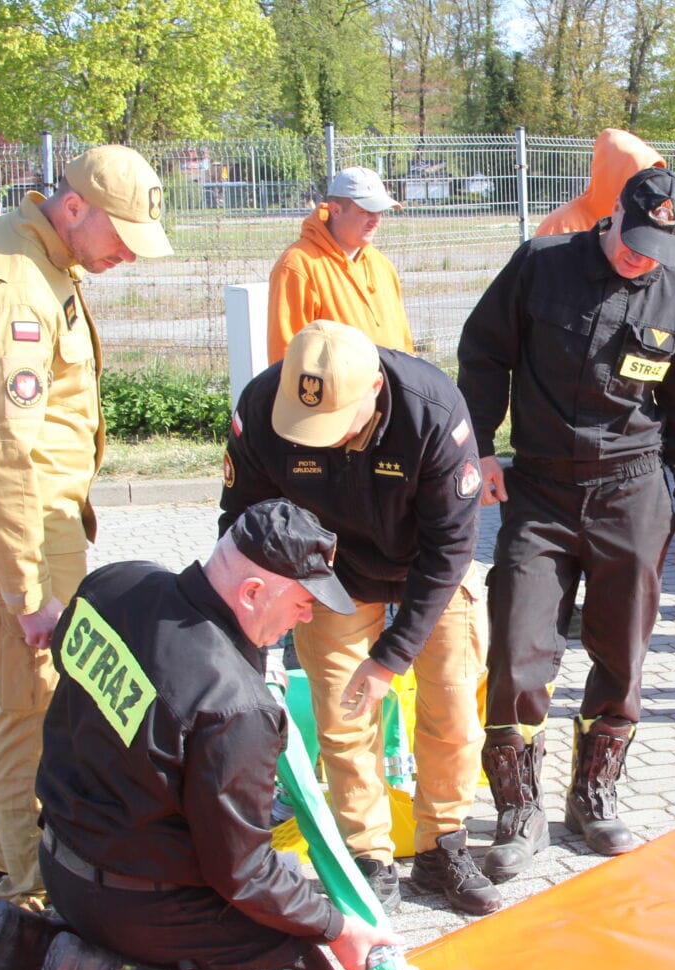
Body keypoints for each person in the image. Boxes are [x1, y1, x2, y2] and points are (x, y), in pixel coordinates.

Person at [0, 499, 403, 970]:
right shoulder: (234, 705)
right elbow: (244, 874)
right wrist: (339, 927)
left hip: (59, 860)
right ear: (254, 592)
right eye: (303, 601)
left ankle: (34, 943)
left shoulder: (112, 583)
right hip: (139, 903)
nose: (307, 618)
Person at [0, 144, 172, 915]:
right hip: (18, 531)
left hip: (35, 521)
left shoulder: (36, 250)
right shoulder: (16, 292)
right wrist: (27, 590)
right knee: (33, 707)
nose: (128, 255)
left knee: (38, 698)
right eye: (121, 237)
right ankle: (28, 892)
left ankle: (5, 858)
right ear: (76, 208)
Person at [457, 167, 675, 877]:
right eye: (633, 240)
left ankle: (592, 796)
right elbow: (483, 355)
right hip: (539, 493)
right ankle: (518, 810)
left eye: (658, 246)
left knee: (622, 654)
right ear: (612, 217)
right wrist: (480, 450)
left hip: (632, 495)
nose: (640, 256)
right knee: (517, 648)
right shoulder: (542, 266)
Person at [221, 320, 498, 916]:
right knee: (344, 722)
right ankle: (367, 857)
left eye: (332, 424)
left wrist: (389, 659)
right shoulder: (264, 406)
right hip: (332, 577)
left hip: (429, 569)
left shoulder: (434, 410)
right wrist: (252, 614)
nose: (315, 439)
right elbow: (242, 519)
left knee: (452, 712)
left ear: (374, 387)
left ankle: (442, 847)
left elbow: (451, 547)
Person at [267, 167, 413, 362]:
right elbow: (286, 356)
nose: (375, 220)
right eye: (366, 211)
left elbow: (404, 342)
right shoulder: (298, 266)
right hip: (334, 392)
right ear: (335, 210)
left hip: (387, 389)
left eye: (379, 211)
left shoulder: (382, 265)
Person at [534, 127, 665, 238]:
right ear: (614, 174)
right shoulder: (562, 224)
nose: (647, 187)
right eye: (640, 178)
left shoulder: (644, 223)